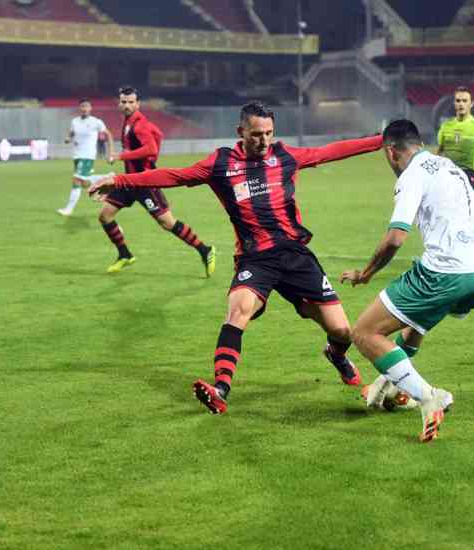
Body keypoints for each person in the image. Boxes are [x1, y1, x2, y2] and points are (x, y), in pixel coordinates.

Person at [87, 100, 383, 414]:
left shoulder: (285, 156)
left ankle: (336, 355)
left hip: (295, 254)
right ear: (240, 131)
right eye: (257, 134)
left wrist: (380, 141)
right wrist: (118, 180)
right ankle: (221, 389)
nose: (264, 140)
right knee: (238, 311)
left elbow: (331, 151)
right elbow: (174, 175)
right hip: (255, 258)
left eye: (269, 133)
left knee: (341, 331)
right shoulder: (221, 163)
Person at [340, 119, 474, 443]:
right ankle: (388, 385)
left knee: (365, 333)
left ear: (390, 151)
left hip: (447, 271)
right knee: (417, 322)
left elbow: (396, 237)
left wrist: (365, 274)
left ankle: (428, 397)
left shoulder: (413, 174)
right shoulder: (448, 166)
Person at [97, 86, 215, 276]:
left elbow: (150, 148)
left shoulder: (139, 124)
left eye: (130, 102)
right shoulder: (129, 122)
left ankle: (205, 250)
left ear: (138, 104)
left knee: (167, 223)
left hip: (145, 182)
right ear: (120, 103)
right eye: (124, 102)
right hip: (128, 181)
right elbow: (158, 134)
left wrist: (122, 156)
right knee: (105, 215)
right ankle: (125, 254)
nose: (127, 105)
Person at [58, 98, 114, 216]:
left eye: (87, 106)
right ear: (80, 108)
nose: (84, 109)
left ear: (90, 108)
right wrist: (69, 138)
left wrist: (110, 153)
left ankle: (69, 209)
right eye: (82, 106)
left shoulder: (96, 122)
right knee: (84, 182)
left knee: (76, 180)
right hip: (77, 155)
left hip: (87, 156)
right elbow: (72, 132)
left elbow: (108, 135)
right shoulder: (75, 121)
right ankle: (107, 177)